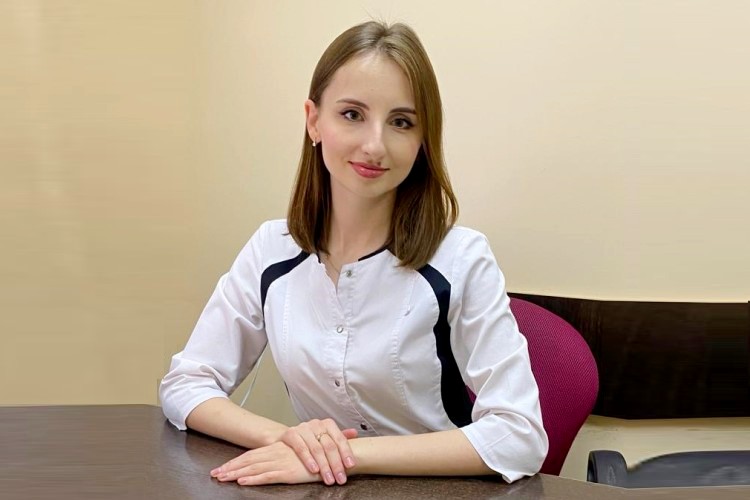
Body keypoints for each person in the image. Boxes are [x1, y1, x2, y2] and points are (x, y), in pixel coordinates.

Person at [159, 20, 548, 487]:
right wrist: (292, 441)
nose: (375, 145)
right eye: (352, 114)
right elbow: (186, 384)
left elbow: (519, 436)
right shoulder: (270, 249)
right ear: (313, 121)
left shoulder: (460, 258)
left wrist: (344, 456)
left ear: (422, 140)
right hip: (324, 487)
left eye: (401, 122)